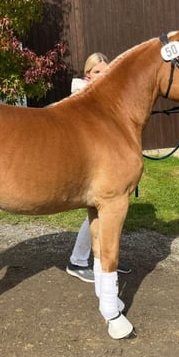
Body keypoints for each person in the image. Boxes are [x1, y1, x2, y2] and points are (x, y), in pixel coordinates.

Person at [65, 53, 131, 282]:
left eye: (106, 72)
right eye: (98, 72)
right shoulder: (80, 97)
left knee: (106, 213)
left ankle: (104, 257)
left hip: (101, 162)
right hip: (80, 162)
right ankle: (78, 260)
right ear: (88, 75)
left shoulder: (107, 99)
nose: (103, 77)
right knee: (97, 212)